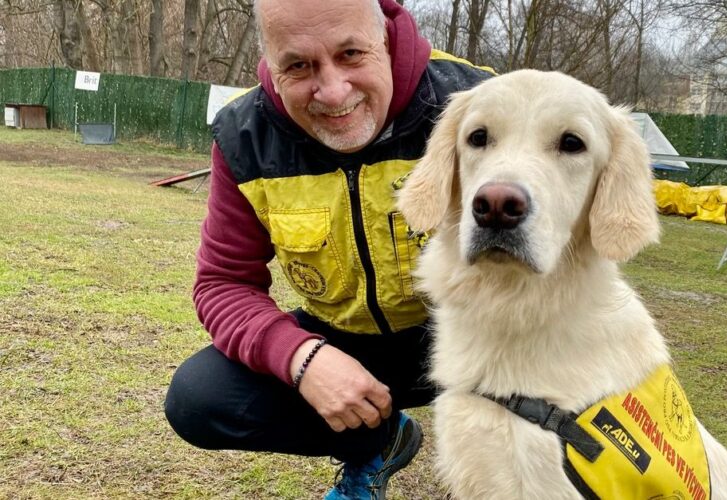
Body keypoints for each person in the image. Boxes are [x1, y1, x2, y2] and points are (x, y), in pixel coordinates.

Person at [163, 0, 493, 498]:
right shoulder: (243, 137)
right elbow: (223, 283)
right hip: (343, 340)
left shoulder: (476, 102)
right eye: (298, 65)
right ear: (269, 60)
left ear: (386, 37)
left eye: (352, 53)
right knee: (198, 399)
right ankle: (379, 441)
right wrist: (303, 358)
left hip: (473, 334)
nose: (333, 91)